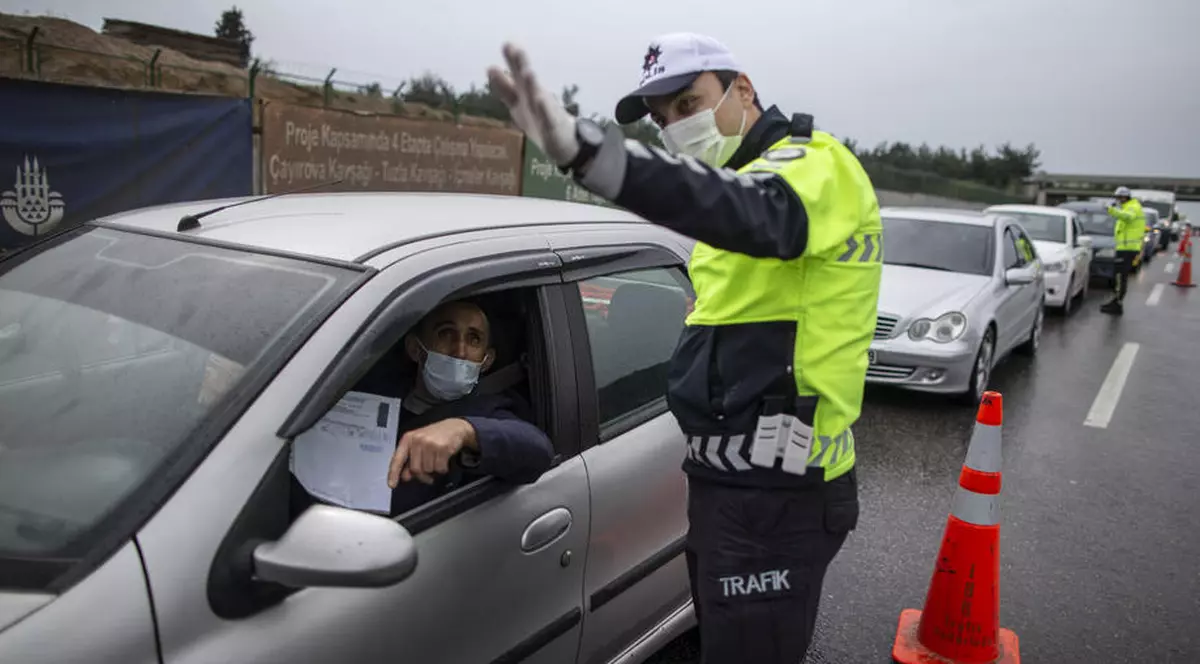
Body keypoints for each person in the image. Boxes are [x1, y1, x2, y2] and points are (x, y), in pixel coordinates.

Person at [487, 33, 881, 663]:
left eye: (687, 102)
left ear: (742, 89)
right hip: (727, 484)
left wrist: (595, 157)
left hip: (779, 493)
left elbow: (753, 211)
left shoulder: (813, 164)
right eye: (663, 118)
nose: (676, 126)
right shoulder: (739, 184)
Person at [290, 299, 555, 518]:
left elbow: (537, 450)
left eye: (473, 340)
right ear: (416, 349)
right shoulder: (373, 389)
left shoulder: (488, 410)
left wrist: (465, 430)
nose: (460, 350)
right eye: (446, 334)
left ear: (486, 361)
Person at [1102, 186, 1146, 316]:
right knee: (1118, 275)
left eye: (1120, 198)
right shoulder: (1128, 206)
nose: (1119, 200)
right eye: (1117, 198)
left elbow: (1128, 217)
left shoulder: (1132, 207)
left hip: (1128, 248)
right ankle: (1116, 300)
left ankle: (1118, 304)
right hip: (1124, 247)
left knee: (1121, 276)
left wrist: (1111, 210)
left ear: (1126, 197)